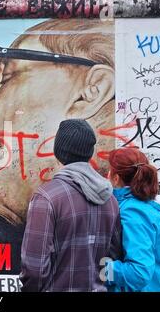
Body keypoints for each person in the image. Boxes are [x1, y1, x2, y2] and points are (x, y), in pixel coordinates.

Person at [0, 19, 116, 226]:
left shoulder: (48, 201)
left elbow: (36, 257)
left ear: (92, 91)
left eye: (9, 75)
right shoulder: (113, 206)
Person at [20, 119, 122, 292]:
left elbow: (34, 268)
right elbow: (113, 259)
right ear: (90, 153)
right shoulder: (110, 199)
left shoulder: (47, 198)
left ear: (58, 151)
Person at [105, 147, 160, 292]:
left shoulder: (133, 212)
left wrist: (101, 269)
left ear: (116, 178)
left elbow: (138, 273)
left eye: (109, 171)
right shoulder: (147, 205)